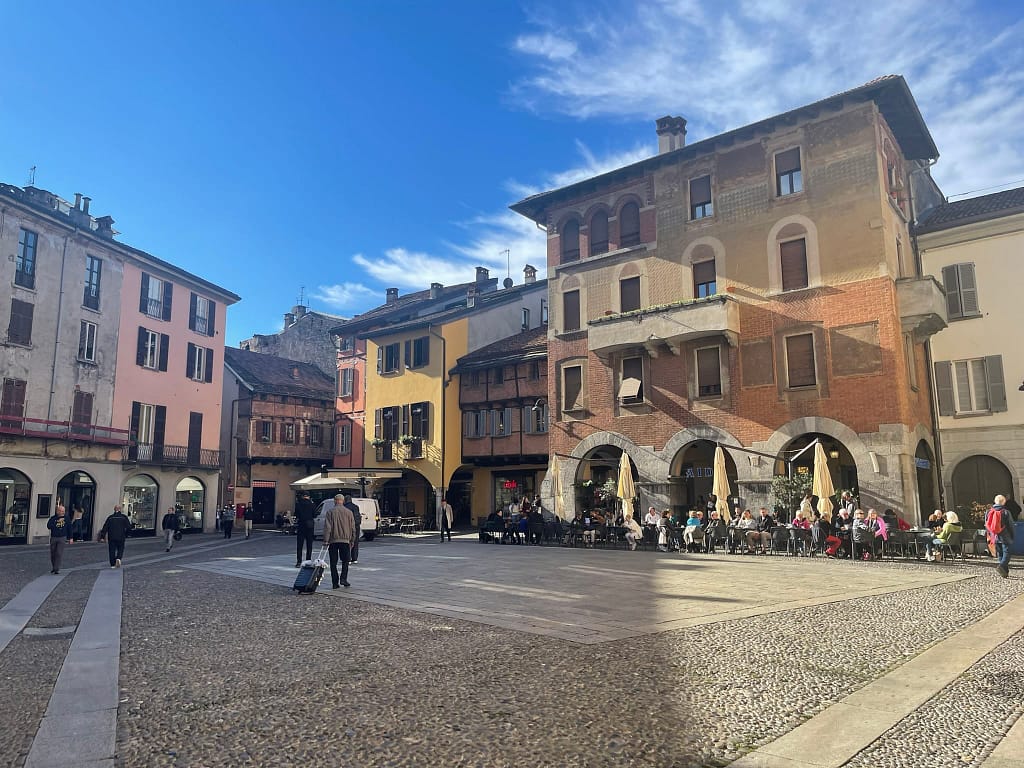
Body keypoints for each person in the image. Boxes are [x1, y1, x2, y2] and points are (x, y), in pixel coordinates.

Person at [323, 493, 356, 589]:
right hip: (345, 540)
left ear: (335, 501)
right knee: (345, 561)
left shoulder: (330, 512)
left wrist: (326, 540)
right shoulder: (349, 512)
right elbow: (353, 528)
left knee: (333, 562)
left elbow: (328, 527)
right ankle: (343, 579)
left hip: (333, 540)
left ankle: (335, 583)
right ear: (343, 501)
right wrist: (352, 540)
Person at [986, 494, 1016, 578]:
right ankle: (1001, 566)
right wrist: (1012, 535)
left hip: (994, 536)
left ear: (995, 502)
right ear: (1004, 502)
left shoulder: (988, 512)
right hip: (1005, 536)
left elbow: (987, 524)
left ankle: (1004, 573)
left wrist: (990, 535)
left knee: (1000, 553)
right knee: (1007, 553)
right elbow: (1010, 525)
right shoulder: (1006, 512)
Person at [97, 504, 133, 568]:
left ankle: (112, 564)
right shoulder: (124, 517)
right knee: (121, 548)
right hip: (121, 536)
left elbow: (105, 527)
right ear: (120, 509)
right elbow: (128, 527)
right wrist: (127, 534)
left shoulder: (110, 517)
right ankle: (118, 558)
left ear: (114, 509)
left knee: (112, 550)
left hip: (111, 536)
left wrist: (102, 536)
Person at [47, 502, 72, 574]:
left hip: (62, 537)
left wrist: (71, 538)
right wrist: (56, 522)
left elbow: (69, 528)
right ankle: (54, 566)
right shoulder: (53, 518)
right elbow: (49, 526)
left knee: (59, 553)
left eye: (63, 511)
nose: (62, 512)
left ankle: (56, 568)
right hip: (54, 537)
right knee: (53, 553)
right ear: (57, 511)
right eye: (60, 511)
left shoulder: (67, 518)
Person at [294, 492, 316, 567]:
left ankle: (299, 561)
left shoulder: (298, 504)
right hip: (310, 525)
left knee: (300, 544)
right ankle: (308, 560)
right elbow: (314, 514)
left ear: (302, 496)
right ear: (308, 496)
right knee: (309, 544)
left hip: (301, 525)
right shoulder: (312, 504)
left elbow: (296, 514)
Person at [344, 495, 362, 561]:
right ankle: (354, 558)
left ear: (345, 500)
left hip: (348, 526)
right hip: (356, 526)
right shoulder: (356, 507)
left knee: (347, 542)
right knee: (355, 542)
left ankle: (348, 558)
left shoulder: (345, 507)